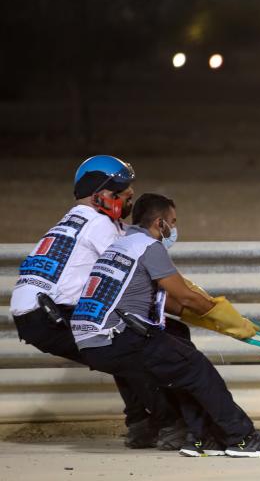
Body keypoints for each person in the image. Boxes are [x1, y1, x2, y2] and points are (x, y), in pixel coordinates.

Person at [71, 193, 260, 458]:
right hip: (118, 337)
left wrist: (209, 315)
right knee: (198, 369)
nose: (173, 228)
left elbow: (168, 303)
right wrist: (225, 317)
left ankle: (202, 438)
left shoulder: (120, 245)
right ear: (159, 223)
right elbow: (183, 295)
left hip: (90, 341)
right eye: (172, 222)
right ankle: (242, 439)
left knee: (181, 365)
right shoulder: (149, 247)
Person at [10, 155, 183, 449]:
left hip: (36, 313)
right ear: (100, 196)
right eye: (123, 195)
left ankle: (141, 425)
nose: (130, 202)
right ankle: (170, 425)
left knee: (117, 345)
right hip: (48, 315)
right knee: (130, 349)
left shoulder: (77, 218)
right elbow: (133, 272)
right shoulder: (100, 225)